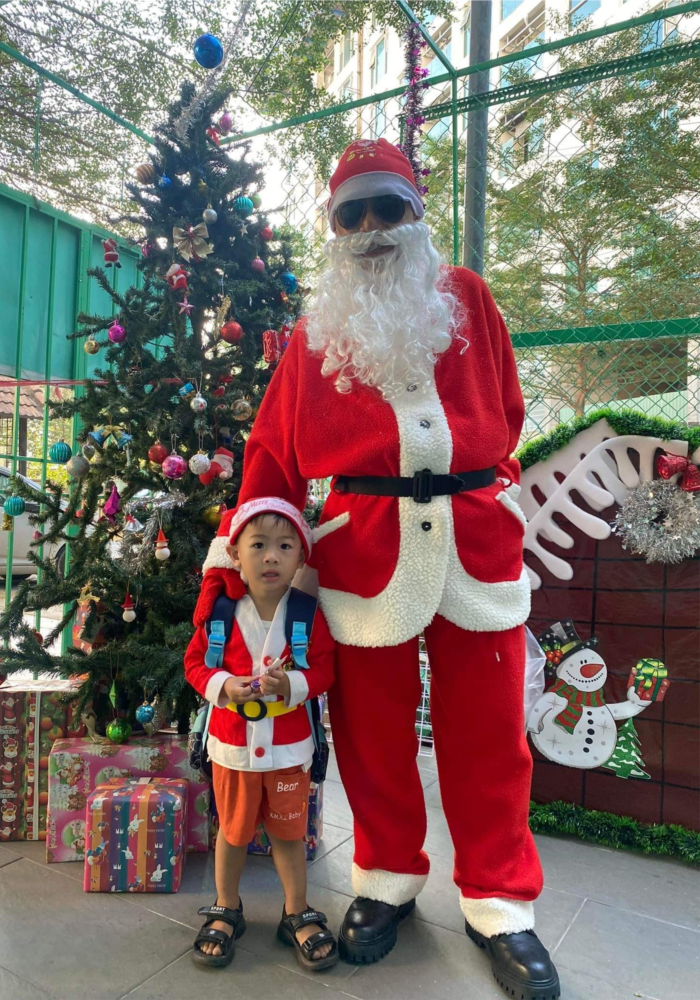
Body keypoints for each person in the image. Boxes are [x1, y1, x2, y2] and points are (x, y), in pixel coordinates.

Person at [194, 138, 560, 1000]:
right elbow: (272, 454)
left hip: (473, 540)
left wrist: (491, 482)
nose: (369, 229)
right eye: (349, 214)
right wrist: (240, 556)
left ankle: (500, 901)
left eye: (386, 207)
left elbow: (506, 408)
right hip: (362, 549)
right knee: (371, 734)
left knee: (490, 734)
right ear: (334, 227)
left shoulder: (467, 298)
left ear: (416, 214)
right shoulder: (314, 333)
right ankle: (387, 878)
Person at [185, 497, 338, 972]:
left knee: (290, 835)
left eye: (285, 546)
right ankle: (226, 906)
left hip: (289, 752)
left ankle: (296, 911)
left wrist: (293, 685)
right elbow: (194, 665)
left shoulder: (307, 614)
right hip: (232, 749)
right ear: (235, 554)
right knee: (231, 833)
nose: (271, 556)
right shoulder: (220, 614)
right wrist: (223, 685)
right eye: (258, 545)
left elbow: (325, 669)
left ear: (300, 558)